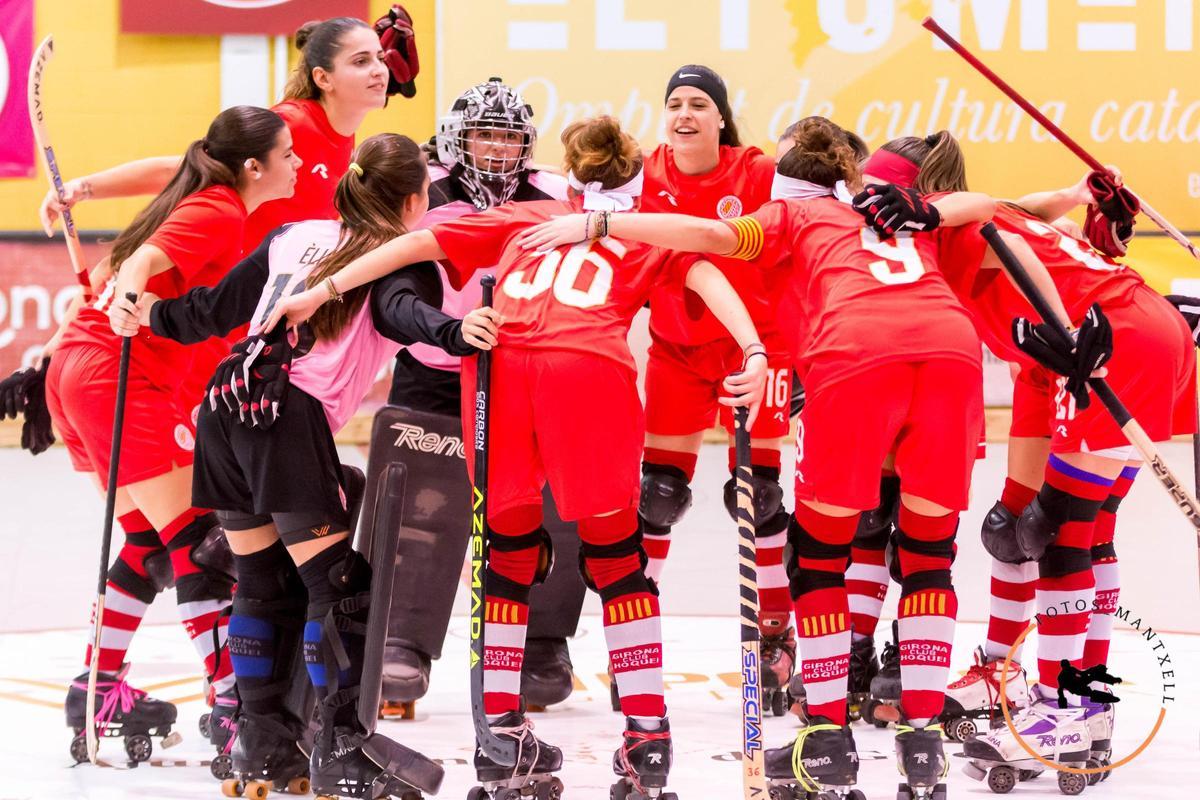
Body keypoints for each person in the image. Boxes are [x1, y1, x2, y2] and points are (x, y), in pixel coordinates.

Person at [266, 115, 767, 800]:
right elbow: (708, 266)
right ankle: (646, 737)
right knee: (617, 559)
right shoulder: (645, 227)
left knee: (506, 555)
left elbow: (414, 243)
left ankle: (502, 735)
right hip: (587, 368)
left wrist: (319, 292)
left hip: (501, 373)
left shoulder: (525, 214)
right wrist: (754, 350)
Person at [516, 115, 994, 799]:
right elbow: (1002, 208)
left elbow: (711, 237)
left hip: (856, 355)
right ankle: (922, 748)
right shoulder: (903, 211)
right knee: (929, 554)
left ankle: (826, 739)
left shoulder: (793, 213)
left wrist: (602, 223)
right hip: (952, 355)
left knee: (819, 552)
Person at [109, 133, 465, 799]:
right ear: (417, 202)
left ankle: (262, 744)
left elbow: (208, 313)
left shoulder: (293, 236)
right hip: (284, 415)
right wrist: (455, 333)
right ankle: (341, 748)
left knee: (262, 580)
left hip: (226, 403)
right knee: (339, 586)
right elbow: (402, 313)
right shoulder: (395, 258)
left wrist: (144, 310)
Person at [859, 132, 1196, 779]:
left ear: (918, 197)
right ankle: (1022, 680)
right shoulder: (969, 221)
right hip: (1074, 350)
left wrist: (1067, 331)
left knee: (1064, 533)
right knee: (1017, 527)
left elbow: (987, 216)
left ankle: (1068, 706)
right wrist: (1074, 193)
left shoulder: (956, 225)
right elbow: (1021, 210)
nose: (868, 209)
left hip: (1109, 342)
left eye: (880, 194)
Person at [44, 105, 299, 761]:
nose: (298, 163)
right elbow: (143, 261)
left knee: (146, 544)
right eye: (288, 154)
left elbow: (116, 270)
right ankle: (233, 705)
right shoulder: (219, 209)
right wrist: (132, 296)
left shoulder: (199, 196)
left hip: (83, 370)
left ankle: (96, 687)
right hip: (116, 376)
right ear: (253, 167)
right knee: (196, 545)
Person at [378, 77, 585, 713]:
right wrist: (444, 330)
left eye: (508, 136)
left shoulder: (557, 195)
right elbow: (394, 285)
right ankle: (400, 641)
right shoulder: (424, 191)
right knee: (421, 508)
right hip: (437, 367)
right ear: (454, 139)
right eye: (483, 135)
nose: (496, 148)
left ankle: (541, 642)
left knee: (554, 501)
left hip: (529, 370)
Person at [636, 65, 798, 705]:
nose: (684, 114)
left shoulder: (757, 172)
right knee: (658, 495)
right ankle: (637, 631)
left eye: (699, 104)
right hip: (676, 348)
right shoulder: (643, 173)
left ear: (721, 117)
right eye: (674, 102)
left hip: (756, 347)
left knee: (757, 496)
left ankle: (776, 631)